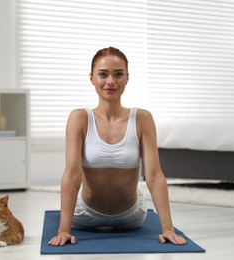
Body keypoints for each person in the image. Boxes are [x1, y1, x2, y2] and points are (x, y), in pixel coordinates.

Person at [48, 47, 187, 246]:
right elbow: (71, 175)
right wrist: (63, 230)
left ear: (127, 78)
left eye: (118, 74)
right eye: (103, 74)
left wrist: (168, 229)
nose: (111, 81)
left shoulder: (142, 118)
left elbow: (155, 176)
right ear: (92, 78)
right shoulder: (79, 118)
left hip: (131, 217)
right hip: (84, 215)